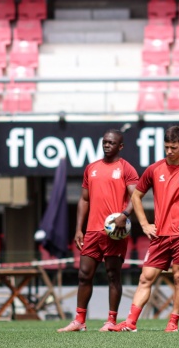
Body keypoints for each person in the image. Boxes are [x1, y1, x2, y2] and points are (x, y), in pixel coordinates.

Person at [110, 126, 179, 332]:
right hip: (159, 235)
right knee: (145, 278)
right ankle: (131, 322)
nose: (169, 151)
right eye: (167, 147)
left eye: (174, 147)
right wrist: (144, 224)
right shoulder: (154, 169)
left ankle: (173, 323)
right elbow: (136, 196)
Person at [59, 130, 139, 333]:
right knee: (84, 275)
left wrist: (124, 215)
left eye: (111, 143)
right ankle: (79, 321)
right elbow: (84, 199)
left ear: (120, 146)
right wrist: (79, 229)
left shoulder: (126, 169)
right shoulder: (91, 168)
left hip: (114, 232)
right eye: (104, 142)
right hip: (93, 231)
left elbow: (135, 197)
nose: (107, 145)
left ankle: (111, 321)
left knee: (113, 275)